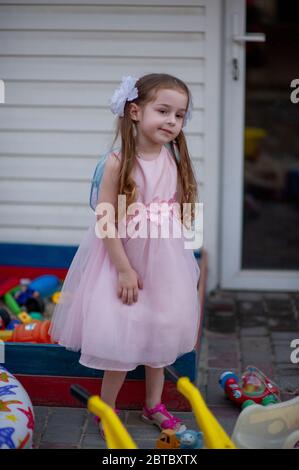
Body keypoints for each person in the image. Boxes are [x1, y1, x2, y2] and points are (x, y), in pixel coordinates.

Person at [49, 73, 201, 437]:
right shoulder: (117, 163)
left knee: (161, 330)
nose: (171, 121)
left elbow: (181, 210)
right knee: (124, 331)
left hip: (163, 264)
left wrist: (187, 260)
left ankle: (153, 405)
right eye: (163, 111)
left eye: (179, 116)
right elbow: (105, 222)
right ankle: (108, 409)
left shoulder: (173, 158)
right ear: (134, 111)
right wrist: (123, 270)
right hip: (124, 262)